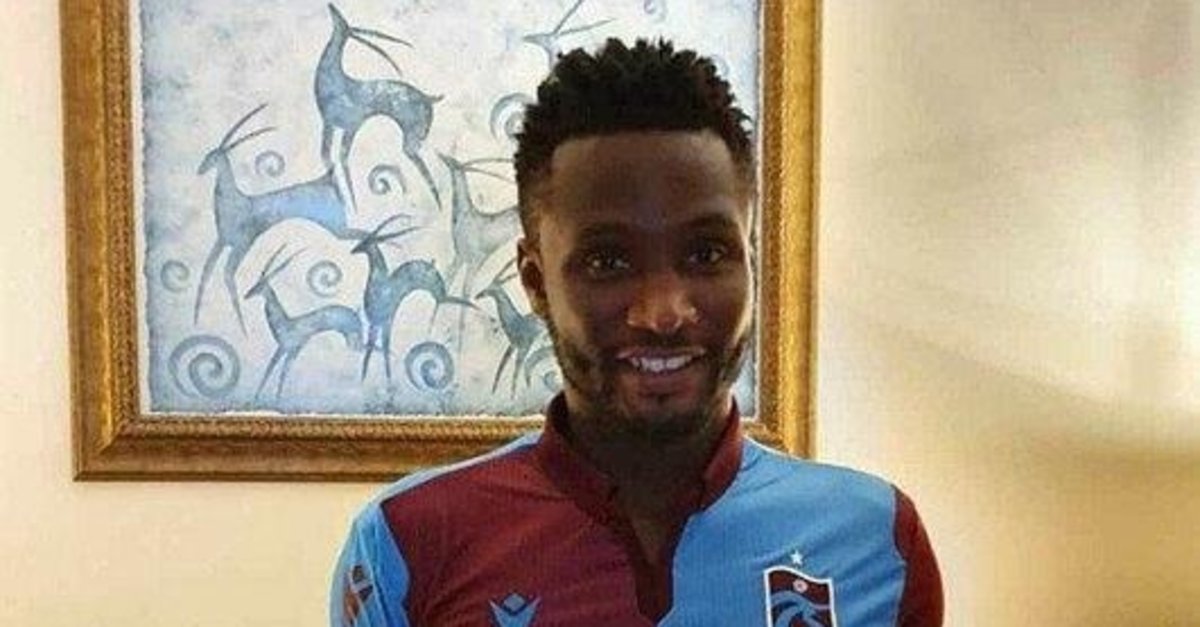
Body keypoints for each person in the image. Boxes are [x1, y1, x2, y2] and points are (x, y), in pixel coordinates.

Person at [330, 38, 943, 627]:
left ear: (752, 262)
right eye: (608, 261)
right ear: (535, 281)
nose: (663, 312)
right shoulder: (408, 544)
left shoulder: (876, 543)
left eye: (706, 254)